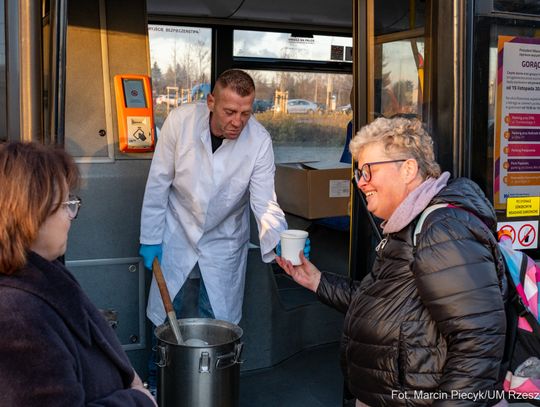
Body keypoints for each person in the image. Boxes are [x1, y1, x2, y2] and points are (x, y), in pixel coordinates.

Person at [277, 117, 508, 406]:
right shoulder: (406, 226)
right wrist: (317, 281)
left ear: (408, 168)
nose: (361, 183)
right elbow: (388, 305)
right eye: (359, 173)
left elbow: (478, 346)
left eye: (368, 171)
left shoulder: (443, 230)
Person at [0, 142, 156, 406]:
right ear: (29, 213)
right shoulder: (15, 318)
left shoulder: (47, 278)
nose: (71, 216)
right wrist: (137, 400)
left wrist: (132, 381)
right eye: (65, 205)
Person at [140, 69, 296, 327]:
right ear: (211, 102)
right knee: (167, 322)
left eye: (246, 113)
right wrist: (150, 238)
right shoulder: (180, 122)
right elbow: (159, 182)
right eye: (230, 112)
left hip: (225, 240)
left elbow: (264, 201)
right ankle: (160, 368)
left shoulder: (259, 141)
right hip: (177, 230)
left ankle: (211, 369)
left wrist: (279, 238)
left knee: (216, 324)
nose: (238, 122)